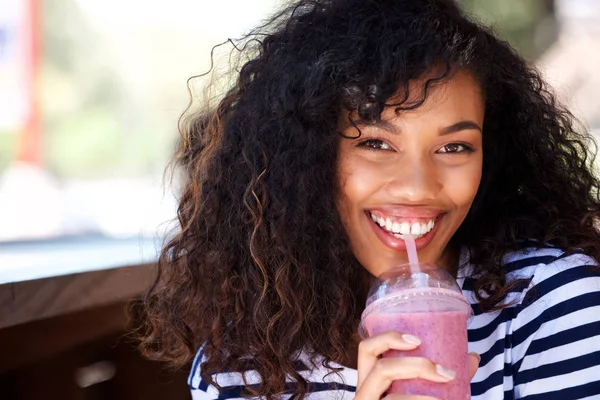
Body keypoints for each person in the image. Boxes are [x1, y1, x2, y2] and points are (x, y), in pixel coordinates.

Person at [138, 0, 600, 398]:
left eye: (454, 147)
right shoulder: (243, 367)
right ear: (309, 157)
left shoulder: (553, 306)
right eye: (376, 143)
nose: (418, 187)